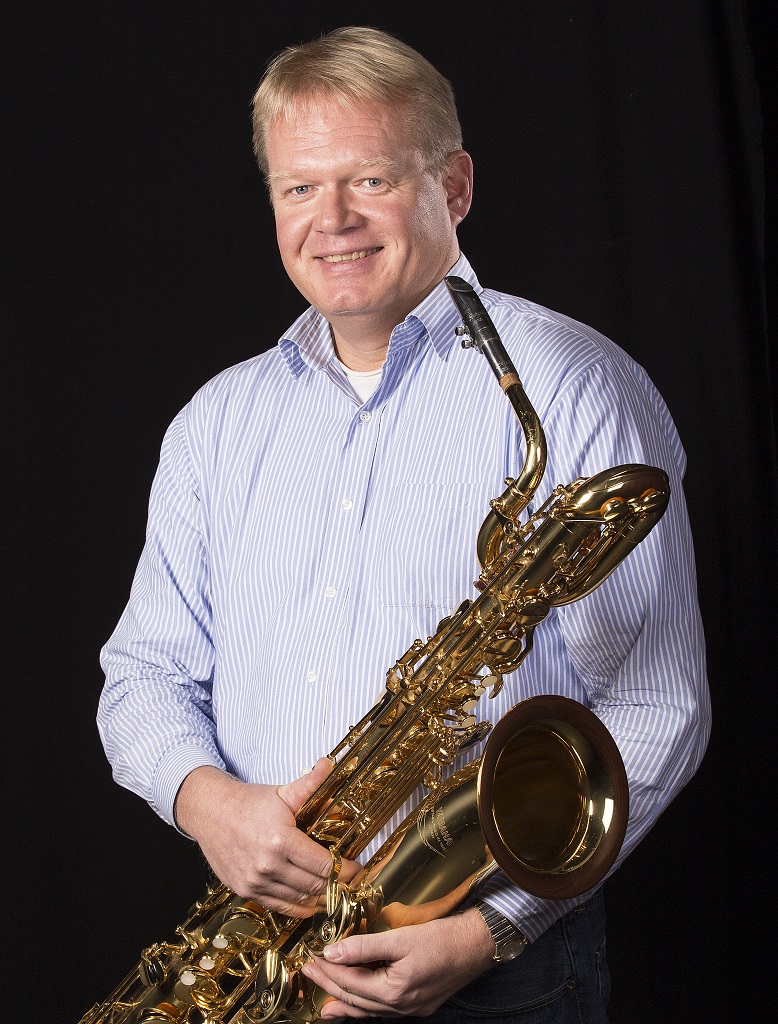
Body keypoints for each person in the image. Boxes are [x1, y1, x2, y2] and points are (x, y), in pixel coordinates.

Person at [98, 26, 710, 1023]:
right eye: (299, 187)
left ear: (454, 186)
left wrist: (489, 930)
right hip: (258, 957)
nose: (331, 219)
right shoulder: (218, 420)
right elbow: (142, 674)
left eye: (370, 179)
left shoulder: (573, 386)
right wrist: (210, 804)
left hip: (496, 972)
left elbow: (657, 703)